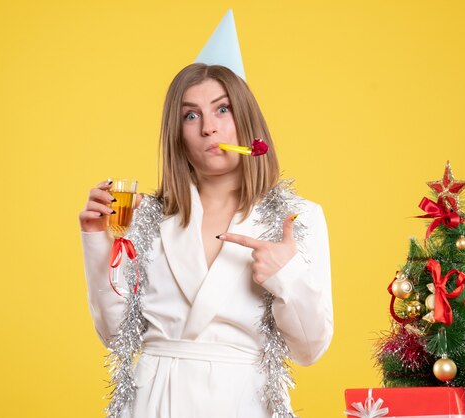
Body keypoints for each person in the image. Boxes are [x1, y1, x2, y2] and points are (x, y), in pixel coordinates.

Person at [79, 63, 333, 418]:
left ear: (246, 121)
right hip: (154, 402)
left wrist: (285, 276)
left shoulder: (297, 217)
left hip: (245, 404)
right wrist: (96, 241)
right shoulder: (145, 216)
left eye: (222, 109)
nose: (209, 128)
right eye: (190, 115)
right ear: (177, 133)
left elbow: (309, 349)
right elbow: (116, 335)